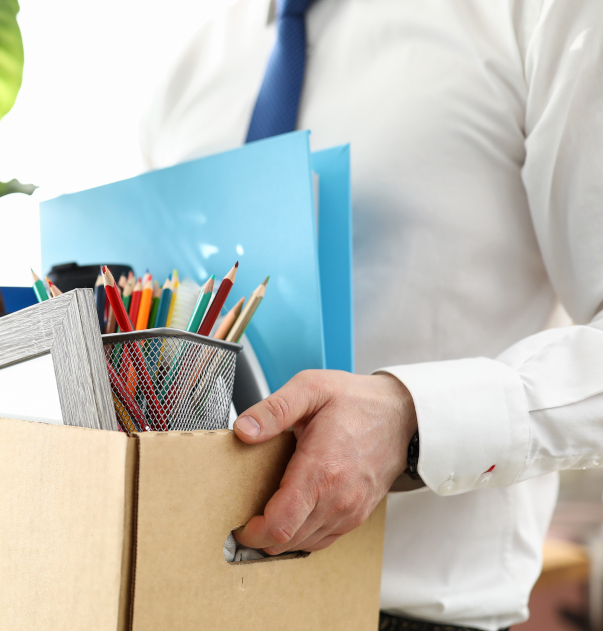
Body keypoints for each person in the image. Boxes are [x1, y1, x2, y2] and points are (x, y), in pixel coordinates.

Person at [141, 0, 603, 629]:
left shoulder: (539, 14)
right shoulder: (187, 66)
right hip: (171, 601)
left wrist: (414, 417)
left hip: (402, 611)